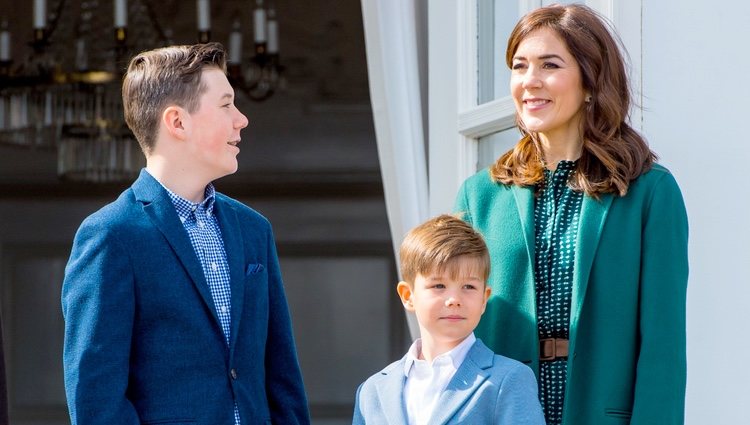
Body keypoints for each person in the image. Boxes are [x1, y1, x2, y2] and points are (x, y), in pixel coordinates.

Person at [454, 4, 688, 425]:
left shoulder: (650, 192)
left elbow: (663, 347)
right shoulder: (480, 195)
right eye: (520, 66)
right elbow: (452, 326)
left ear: (591, 82)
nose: (530, 81)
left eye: (550, 65)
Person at [61, 43, 310, 425]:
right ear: (177, 122)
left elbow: (282, 376)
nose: (241, 119)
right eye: (226, 105)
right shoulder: (110, 235)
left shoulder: (253, 229)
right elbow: (96, 399)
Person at [353, 214, 545, 425]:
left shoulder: (509, 379)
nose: (454, 300)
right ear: (408, 296)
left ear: (484, 299)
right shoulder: (372, 391)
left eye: (469, 287)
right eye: (439, 286)